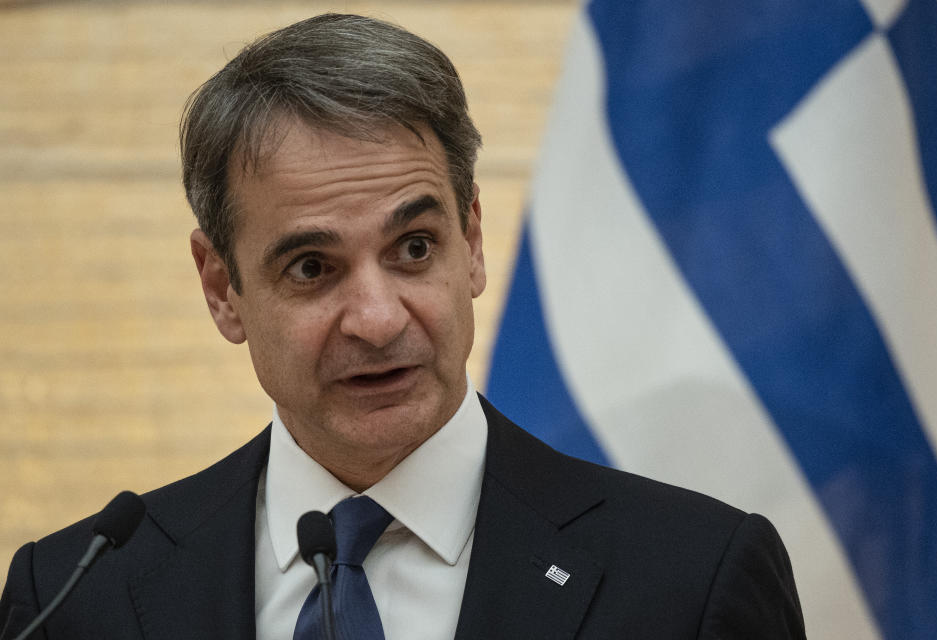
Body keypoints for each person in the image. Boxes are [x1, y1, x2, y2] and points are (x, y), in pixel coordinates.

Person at [0, 13, 804, 639]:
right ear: (223, 289)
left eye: (414, 248)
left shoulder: (691, 580)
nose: (379, 320)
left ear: (473, 244)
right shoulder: (77, 593)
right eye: (312, 267)